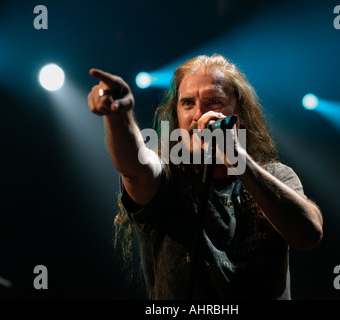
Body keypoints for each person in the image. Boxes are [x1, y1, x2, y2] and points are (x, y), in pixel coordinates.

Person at [87, 54, 323, 299]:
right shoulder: (168, 173)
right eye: (187, 103)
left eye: (214, 101)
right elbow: (136, 168)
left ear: (238, 112)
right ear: (176, 114)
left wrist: (238, 160)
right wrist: (120, 115)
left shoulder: (276, 175)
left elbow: (308, 234)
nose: (199, 115)